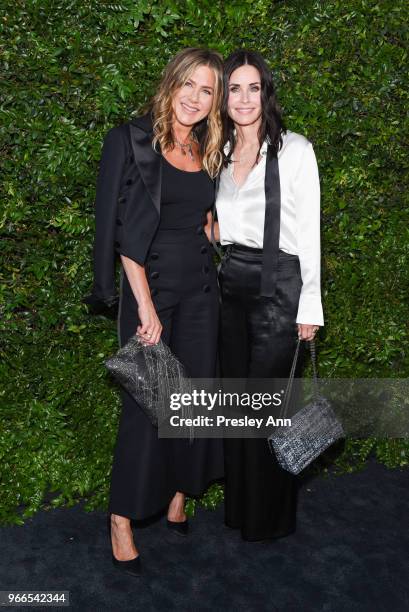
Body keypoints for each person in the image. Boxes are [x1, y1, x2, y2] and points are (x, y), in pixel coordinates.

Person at [86, 48, 225, 575]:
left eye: (207, 90)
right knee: (148, 410)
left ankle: (178, 494)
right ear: (171, 83)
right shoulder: (130, 140)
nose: (195, 97)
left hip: (201, 292)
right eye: (189, 84)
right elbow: (120, 230)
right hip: (153, 290)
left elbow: (205, 219)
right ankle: (120, 518)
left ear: (213, 102)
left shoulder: (205, 145)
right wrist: (143, 304)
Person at [214, 50, 324, 542]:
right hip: (232, 283)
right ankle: (241, 509)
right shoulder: (217, 152)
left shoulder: (295, 149)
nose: (243, 98)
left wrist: (310, 305)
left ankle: (270, 519)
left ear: (266, 92)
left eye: (252, 87)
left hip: (281, 285)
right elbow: (224, 227)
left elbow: (309, 232)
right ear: (224, 97)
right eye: (234, 88)